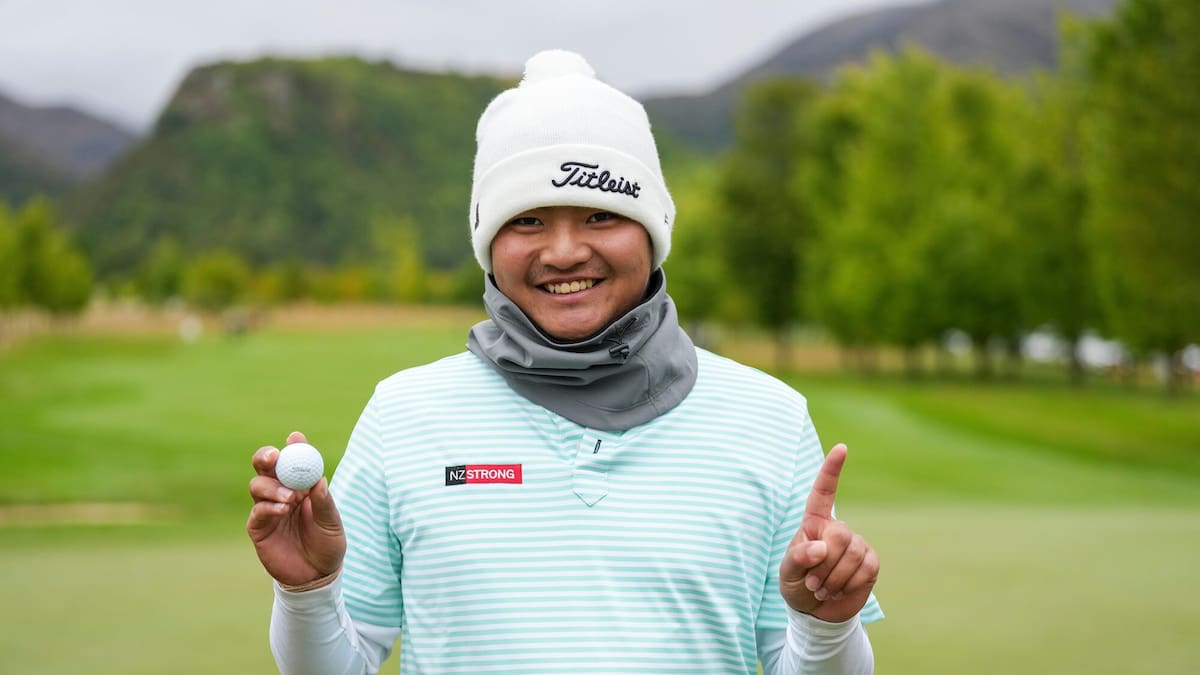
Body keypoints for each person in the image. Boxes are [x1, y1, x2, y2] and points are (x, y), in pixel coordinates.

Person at [247, 49, 883, 674]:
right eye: (526, 220)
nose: (564, 251)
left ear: (654, 228)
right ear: (488, 243)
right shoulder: (403, 415)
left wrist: (827, 624)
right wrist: (307, 593)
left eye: (601, 214)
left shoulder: (769, 419)